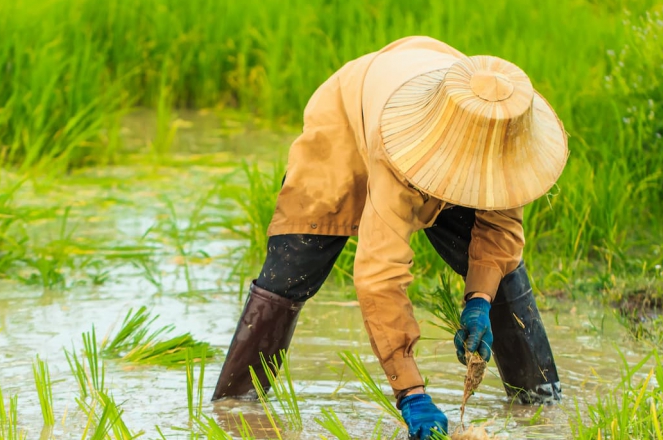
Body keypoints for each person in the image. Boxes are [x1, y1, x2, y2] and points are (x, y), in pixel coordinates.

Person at [211, 36, 567, 439]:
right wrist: (410, 390)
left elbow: (499, 232)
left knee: (503, 272)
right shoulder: (397, 148)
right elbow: (379, 275)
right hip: (349, 122)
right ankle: (232, 406)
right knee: (291, 269)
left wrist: (479, 299)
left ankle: (542, 405)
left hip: (437, 97)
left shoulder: (499, 129)